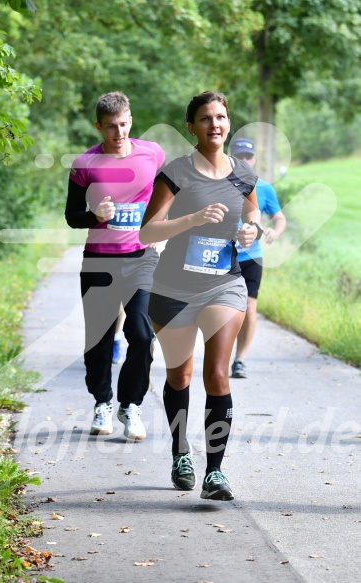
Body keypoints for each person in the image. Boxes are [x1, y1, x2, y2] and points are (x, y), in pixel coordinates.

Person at [140, 91, 261, 500]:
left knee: (217, 374)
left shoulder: (243, 174)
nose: (215, 124)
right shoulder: (176, 172)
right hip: (174, 287)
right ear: (191, 127)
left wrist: (252, 231)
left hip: (224, 284)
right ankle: (180, 453)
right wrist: (190, 218)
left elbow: (252, 214)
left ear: (229, 122)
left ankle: (215, 472)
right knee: (180, 376)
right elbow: (148, 231)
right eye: (206, 118)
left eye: (222, 117)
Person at [65, 91, 165, 439]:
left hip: (142, 259)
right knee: (99, 340)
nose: (118, 133)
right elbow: (71, 216)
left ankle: (130, 405)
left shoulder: (152, 153)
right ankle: (102, 403)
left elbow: (166, 196)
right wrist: (94, 215)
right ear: (99, 126)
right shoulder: (84, 164)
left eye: (123, 124)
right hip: (99, 262)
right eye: (111, 127)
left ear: (131, 120)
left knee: (141, 332)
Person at [228, 138, 286, 379]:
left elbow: (279, 218)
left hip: (252, 256)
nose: (244, 160)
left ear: (254, 159)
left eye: (248, 156)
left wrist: (275, 230)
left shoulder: (264, 188)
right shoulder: (219, 185)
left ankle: (239, 360)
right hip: (224, 255)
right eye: (239, 156)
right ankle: (220, 355)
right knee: (225, 311)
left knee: (250, 309)